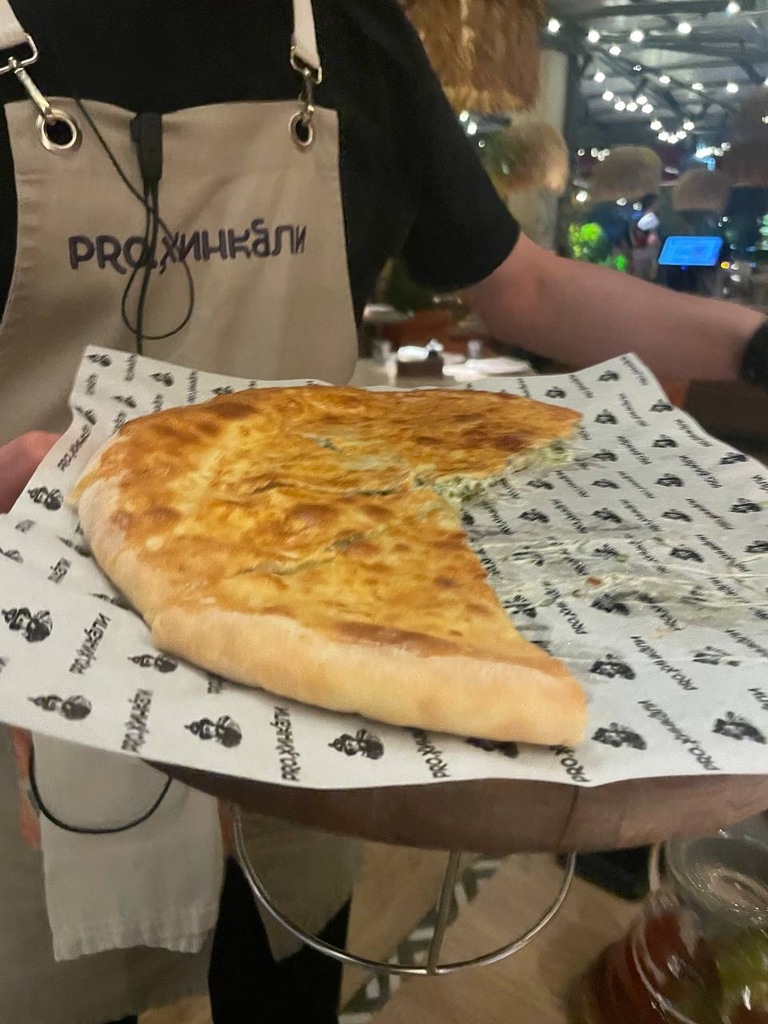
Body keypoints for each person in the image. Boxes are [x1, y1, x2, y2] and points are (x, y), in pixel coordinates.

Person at [0, 2, 766, 1024]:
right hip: (43, 655)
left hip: (333, 626)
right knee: (70, 985)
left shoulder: (352, 30)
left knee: (287, 975)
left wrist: (754, 348)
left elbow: (524, 286)